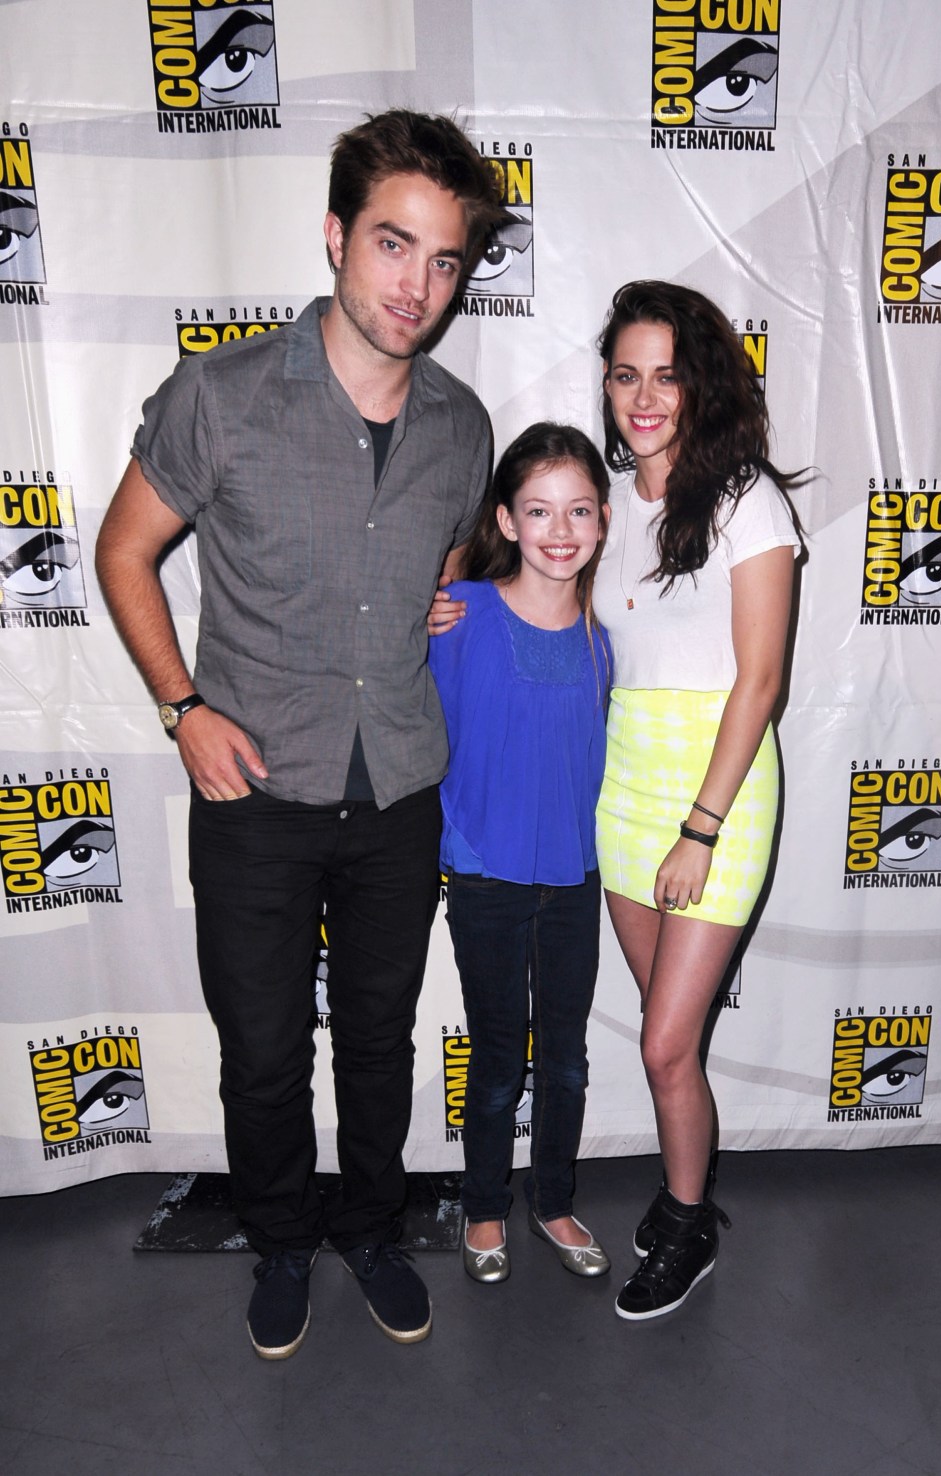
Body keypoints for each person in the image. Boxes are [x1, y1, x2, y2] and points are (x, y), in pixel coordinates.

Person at [95, 109, 506, 1359]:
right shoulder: (221, 397)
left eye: (443, 260)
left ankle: (371, 1231)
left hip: (399, 793)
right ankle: (280, 1242)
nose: (417, 286)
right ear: (335, 237)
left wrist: (427, 598)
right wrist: (184, 711)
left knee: (379, 1043)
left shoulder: (462, 425)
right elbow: (122, 552)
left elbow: (438, 563)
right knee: (264, 1052)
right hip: (255, 794)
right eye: (392, 244)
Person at [592, 280, 801, 1321]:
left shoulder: (744, 500)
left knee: (665, 1045)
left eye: (665, 377)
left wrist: (701, 829)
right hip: (624, 784)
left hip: (716, 796)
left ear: (699, 386)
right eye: (625, 375)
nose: (643, 398)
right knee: (663, 1034)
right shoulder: (603, 501)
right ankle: (688, 1193)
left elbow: (759, 684)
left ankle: (686, 1223)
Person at [428, 423, 613, 1284]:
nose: (560, 530)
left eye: (579, 510)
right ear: (505, 519)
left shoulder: (605, 636)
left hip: (574, 880)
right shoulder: (459, 617)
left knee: (566, 1059)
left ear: (603, 520)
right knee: (499, 1058)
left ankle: (555, 1200)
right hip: (485, 878)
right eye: (538, 510)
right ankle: (484, 1208)